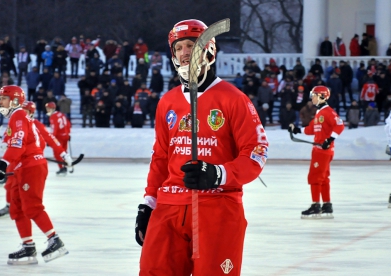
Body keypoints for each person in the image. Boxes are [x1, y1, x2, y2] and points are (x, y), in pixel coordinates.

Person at [135, 19, 269, 276]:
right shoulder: (168, 102)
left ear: (210, 49)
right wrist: (148, 204)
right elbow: (161, 157)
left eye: (192, 44)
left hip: (217, 207)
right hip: (169, 208)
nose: (185, 52)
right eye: (179, 47)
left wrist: (219, 173)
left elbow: (257, 152)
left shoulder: (234, 99)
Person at [0, 85, 68, 264]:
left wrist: (3, 164)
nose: (0, 101)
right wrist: (6, 167)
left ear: (15, 100)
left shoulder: (18, 114)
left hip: (31, 167)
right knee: (16, 207)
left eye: (3, 98)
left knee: (32, 206)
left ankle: (55, 240)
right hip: (22, 167)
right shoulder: (17, 116)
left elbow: (19, 144)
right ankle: (28, 247)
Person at [289, 86, 345, 219]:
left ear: (322, 96)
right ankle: (327, 205)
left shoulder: (328, 112)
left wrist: (329, 140)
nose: (312, 97)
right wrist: (297, 130)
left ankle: (315, 206)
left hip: (322, 151)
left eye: (314, 95)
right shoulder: (320, 113)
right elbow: (313, 129)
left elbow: (340, 125)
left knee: (314, 177)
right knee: (324, 178)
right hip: (322, 151)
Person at [45, 101, 71, 176]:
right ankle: (65, 165)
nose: (47, 110)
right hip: (65, 136)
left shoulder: (53, 116)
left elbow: (54, 129)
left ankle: (61, 168)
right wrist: (68, 133)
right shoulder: (61, 114)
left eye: (48, 108)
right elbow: (68, 124)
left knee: (57, 153)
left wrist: (51, 140)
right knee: (64, 152)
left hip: (59, 137)